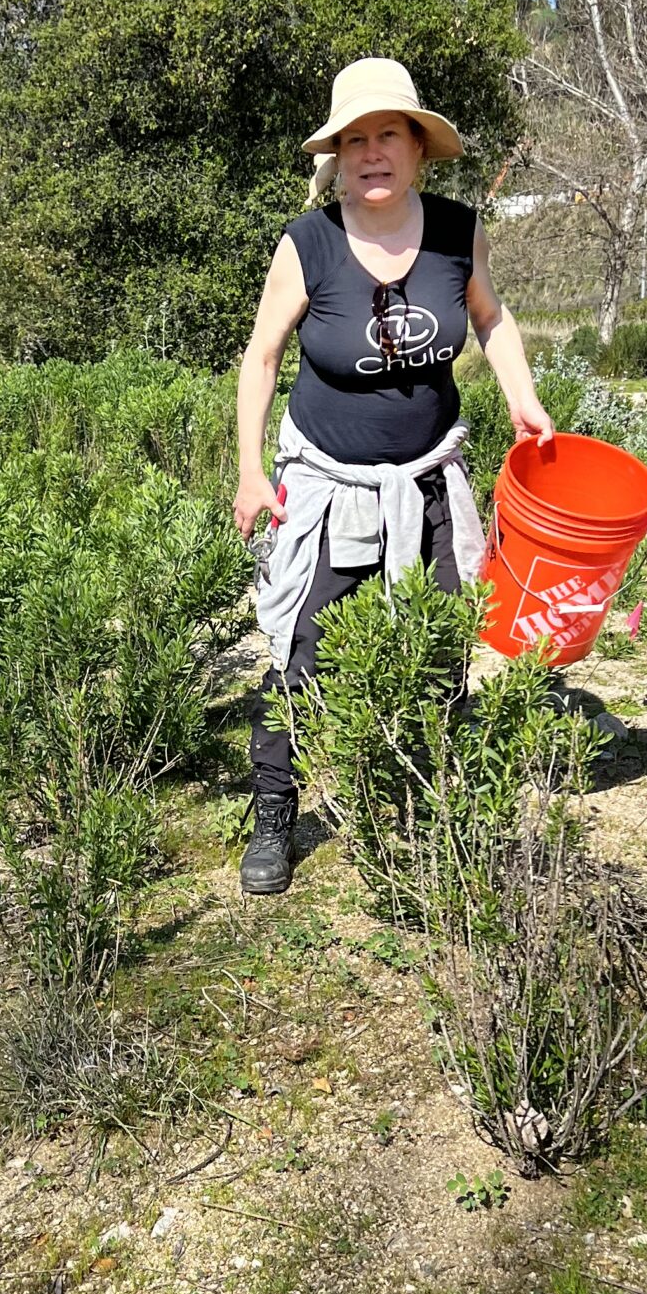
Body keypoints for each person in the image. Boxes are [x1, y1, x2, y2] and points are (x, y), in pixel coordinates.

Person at [233, 57, 555, 896]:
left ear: (418, 148)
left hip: (428, 478)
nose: (372, 152)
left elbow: (491, 317)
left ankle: (430, 803)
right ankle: (275, 813)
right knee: (299, 652)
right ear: (337, 156)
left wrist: (522, 398)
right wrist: (251, 472)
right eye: (355, 140)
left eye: (388, 135)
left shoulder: (456, 231)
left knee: (440, 643)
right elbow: (261, 356)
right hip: (326, 481)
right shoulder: (308, 244)